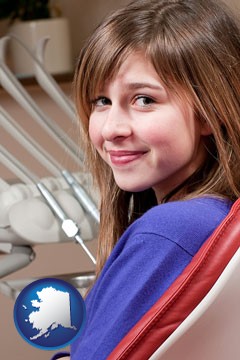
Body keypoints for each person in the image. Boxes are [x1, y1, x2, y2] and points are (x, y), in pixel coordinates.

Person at [53, 0, 240, 358]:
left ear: (209, 113)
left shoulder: (169, 230)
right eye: (102, 101)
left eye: (143, 100)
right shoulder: (213, 217)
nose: (112, 129)